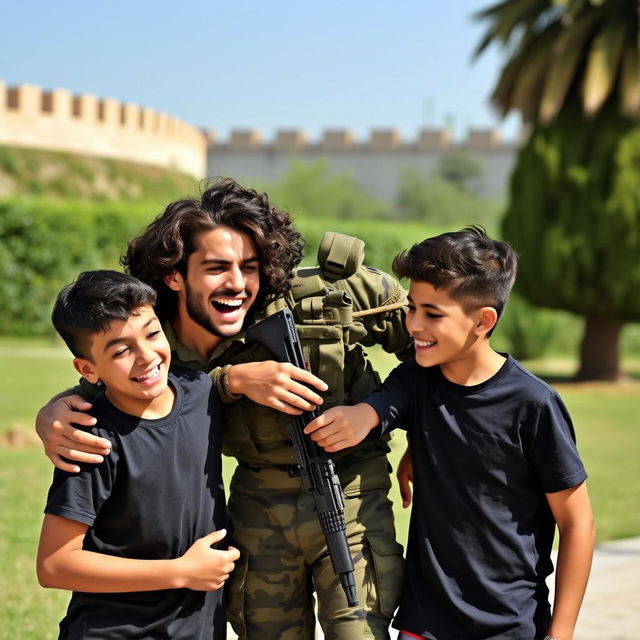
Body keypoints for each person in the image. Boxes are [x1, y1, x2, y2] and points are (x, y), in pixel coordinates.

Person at [36, 179, 410, 640]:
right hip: (258, 505)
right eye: (215, 268)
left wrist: (379, 413)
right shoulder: (154, 337)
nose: (236, 283)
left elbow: (437, 351)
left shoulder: (317, 300)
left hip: (349, 489)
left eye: (249, 267)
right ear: (175, 275)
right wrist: (49, 415)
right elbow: (96, 389)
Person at [305, 226, 595, 640]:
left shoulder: (533, 404)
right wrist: (361, 417)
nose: (414, 325)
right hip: (424, 624)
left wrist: (562, 632)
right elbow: (385, 404)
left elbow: (578, 521)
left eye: (432, 313)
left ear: (483, 321)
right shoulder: (417, 379)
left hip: (511, 626)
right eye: (412, 308)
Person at [37, 270, 237, 639]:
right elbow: (54, 565)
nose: (146, 356)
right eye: (122, 350)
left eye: (152, 333)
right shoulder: (91, 440)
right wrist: (180, 571)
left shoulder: (200, 392)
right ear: (87, 370)